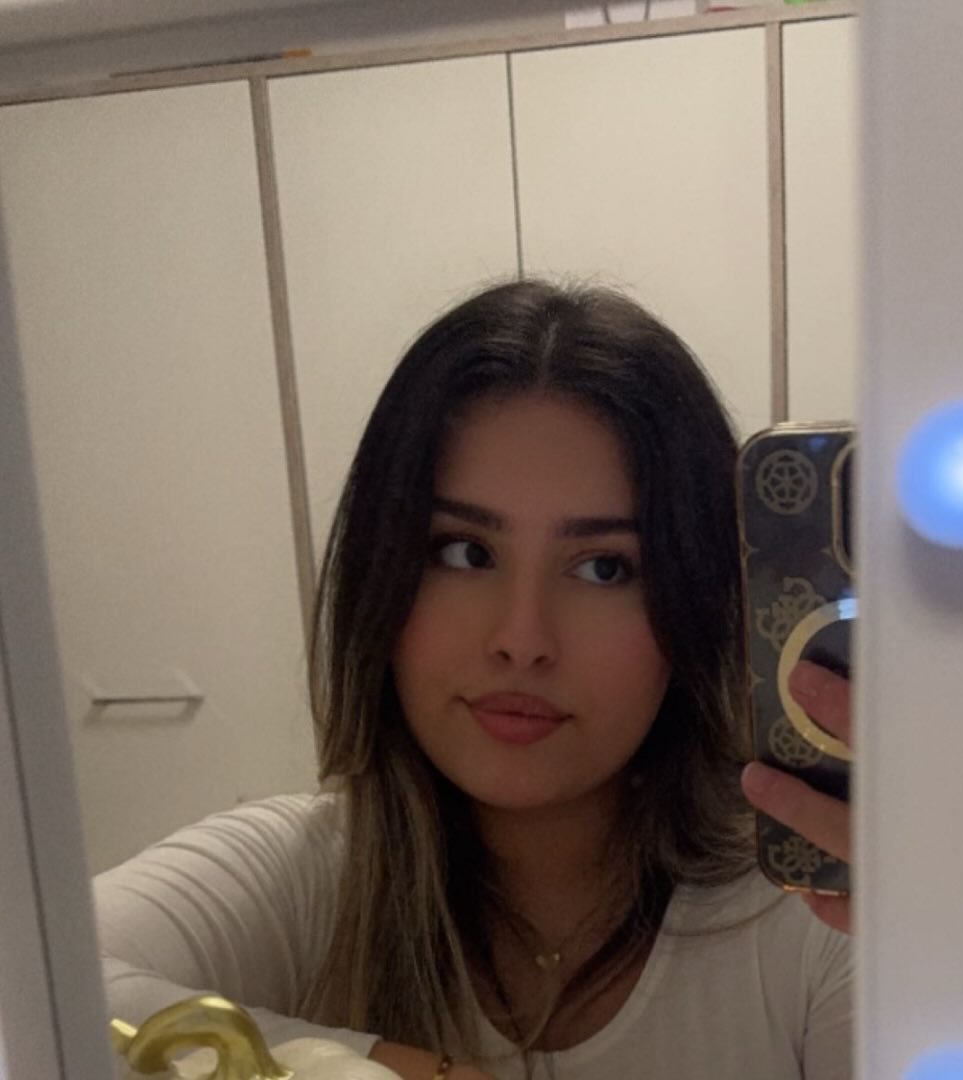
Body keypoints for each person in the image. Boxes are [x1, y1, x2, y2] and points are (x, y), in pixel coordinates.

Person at [95, 279, 853, 1080]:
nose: (521, 641)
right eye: (465, 552)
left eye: (603, 567)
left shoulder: (806, 920)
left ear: (695, 602)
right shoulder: (307, 879)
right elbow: (38, 987)